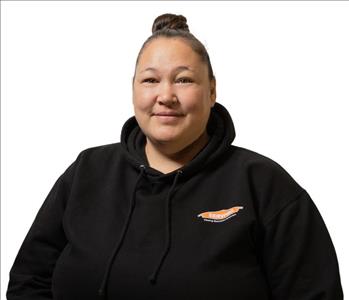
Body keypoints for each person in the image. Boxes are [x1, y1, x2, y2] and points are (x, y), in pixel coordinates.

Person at [6, 13, 344, 300]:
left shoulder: (264, 184)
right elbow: (28, 282)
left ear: (212, 90)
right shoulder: (87, 173)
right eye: (151, 79)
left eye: (183, 80)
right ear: (134, 89)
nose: (165, 96)